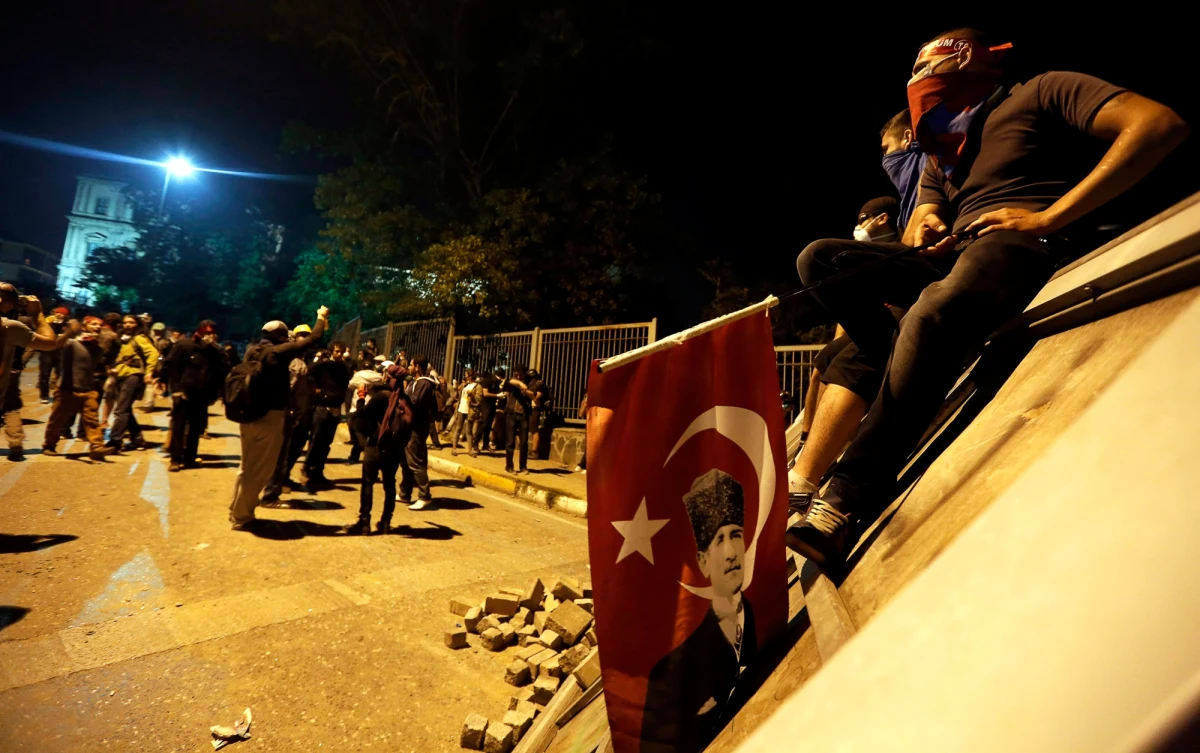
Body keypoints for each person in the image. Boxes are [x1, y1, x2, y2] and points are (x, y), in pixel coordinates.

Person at [789, 29, 1189, 569]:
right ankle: (901, 369)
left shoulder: (1043, 91)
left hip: (1023, 241)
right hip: (956, 254)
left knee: (931, 310)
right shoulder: (939, 152)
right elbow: (915, 231)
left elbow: (1158, 126)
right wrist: (926, 226)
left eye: (936, 84)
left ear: (970, 71)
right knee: (820, 260)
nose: (927, 101)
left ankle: (844, 499)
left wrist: (1051, 215)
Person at [640, 469, 756, 753]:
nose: (731, 552)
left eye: (736, 535)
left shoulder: (756, 614)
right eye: (718, 540)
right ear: (703, 562)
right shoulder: (671, 671)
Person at [229, 307, 328, 531]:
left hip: (248, 415)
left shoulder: (253, 350)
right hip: (268, 417)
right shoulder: (277, 353)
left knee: (246, 466)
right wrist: (321, 317)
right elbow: (314, 337)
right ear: (283, 337)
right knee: (260, 470)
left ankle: (236, 509)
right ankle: (242, 517)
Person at [344, 363, 413, 535]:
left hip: (376, 446)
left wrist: (361, 396)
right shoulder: (405, 399)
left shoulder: (382, 396)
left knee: (368, 482)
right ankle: (386, 522)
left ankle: (364, 522)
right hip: (395, 449)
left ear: (388, 377)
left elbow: (361, 415)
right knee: (389, 485)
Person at [42, 316, 116, 460]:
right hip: (66, 390)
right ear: (84, 327)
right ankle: (49, 445)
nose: (98, 327)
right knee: (57, 420)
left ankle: (97, 447)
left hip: (87, 390)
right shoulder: (71, 344)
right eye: (94, 324)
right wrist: (70, 332)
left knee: (92, 420)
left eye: (99, 325)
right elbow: (57, 344)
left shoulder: (97, 348)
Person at [262, 323, 317, 502]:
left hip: (285, 412)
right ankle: (273, 487)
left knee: (284, 450)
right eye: (299, 336)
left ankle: (279, 481)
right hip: (288, 413)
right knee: (281, 451)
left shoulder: (292, 359)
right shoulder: (295, 363)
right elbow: (290, 388)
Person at [164, 320, 224, 471]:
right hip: (184, 393)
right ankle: (175, 459)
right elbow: (173, 367)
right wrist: (175, 389)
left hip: (202, 395)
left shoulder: (215, 351)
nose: (209, 336)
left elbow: (220, 372)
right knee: (179, 426)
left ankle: (190, 458)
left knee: (196, 428)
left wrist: (215, 394)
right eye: (207, 333)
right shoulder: (185, 346)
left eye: (212, 333)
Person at [304, 339, 353, 490]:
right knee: (316, 440)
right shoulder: (323, 364)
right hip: (322, 407)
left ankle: (318, 472)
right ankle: (308, 470)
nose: (339, 354)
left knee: (326, 442)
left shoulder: (343, 367)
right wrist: (317, 389)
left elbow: (345, 383)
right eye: (337, 351)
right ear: (332, 351)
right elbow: (307, 373)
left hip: (335, 408)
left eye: (341, 351)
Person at [106, 314, 158, 452]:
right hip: (119, 376)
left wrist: (149, 372)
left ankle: (115, 441)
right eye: (125, 322)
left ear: (137, 324)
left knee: (121, 410)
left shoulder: (139, 338)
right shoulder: (121, 339)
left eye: (131, 322)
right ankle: (137, 440)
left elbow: (153, 354)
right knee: (125, 409)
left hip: (133, 376)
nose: (127, 325)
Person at [400, 354, 438, 510]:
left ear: (417, 367)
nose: (408, 367)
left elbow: (414, 402)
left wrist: (400, 398)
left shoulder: (424, 384)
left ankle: (424, 496)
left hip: (417, 427)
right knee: (406, 462)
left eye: (411, 364)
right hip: (410, 427)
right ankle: (405, 493)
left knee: (415, 462)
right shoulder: (415, 382)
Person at [503, 365, 536, 474]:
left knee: (524, 442)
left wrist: (525, 390)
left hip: (524, 415)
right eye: (516, 373)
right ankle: (509, 466)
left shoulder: (531, 382)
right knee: (510, 441)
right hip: (511, 413)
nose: (518, 376)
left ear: (525, 374)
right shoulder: (514, 382)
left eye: (520, 374)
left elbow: (533, 395)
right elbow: (510, 381)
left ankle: (523, 466)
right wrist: (520, 384)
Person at [36, 306, 69, 404]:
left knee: (60, 375)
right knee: (44, 374)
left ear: (66, 316)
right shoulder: (48, 322)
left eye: (62, 313)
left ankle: (58, 395)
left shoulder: (67, 326)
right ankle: (44, 395)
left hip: (61, 353)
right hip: (47, 352)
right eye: (57, 313)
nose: (59, 315)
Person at [449, 370, 477, 455]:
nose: (466, 377)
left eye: (467, 375)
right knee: (458, 428)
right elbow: (457, 394)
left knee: (469, 431)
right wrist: (458, 386)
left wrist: (472, 395)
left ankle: (470, 449)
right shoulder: (466, 385)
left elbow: (478, 399)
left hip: (470, 410)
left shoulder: (476, 386)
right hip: (461, 408)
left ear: (471, 376)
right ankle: (454, 448)